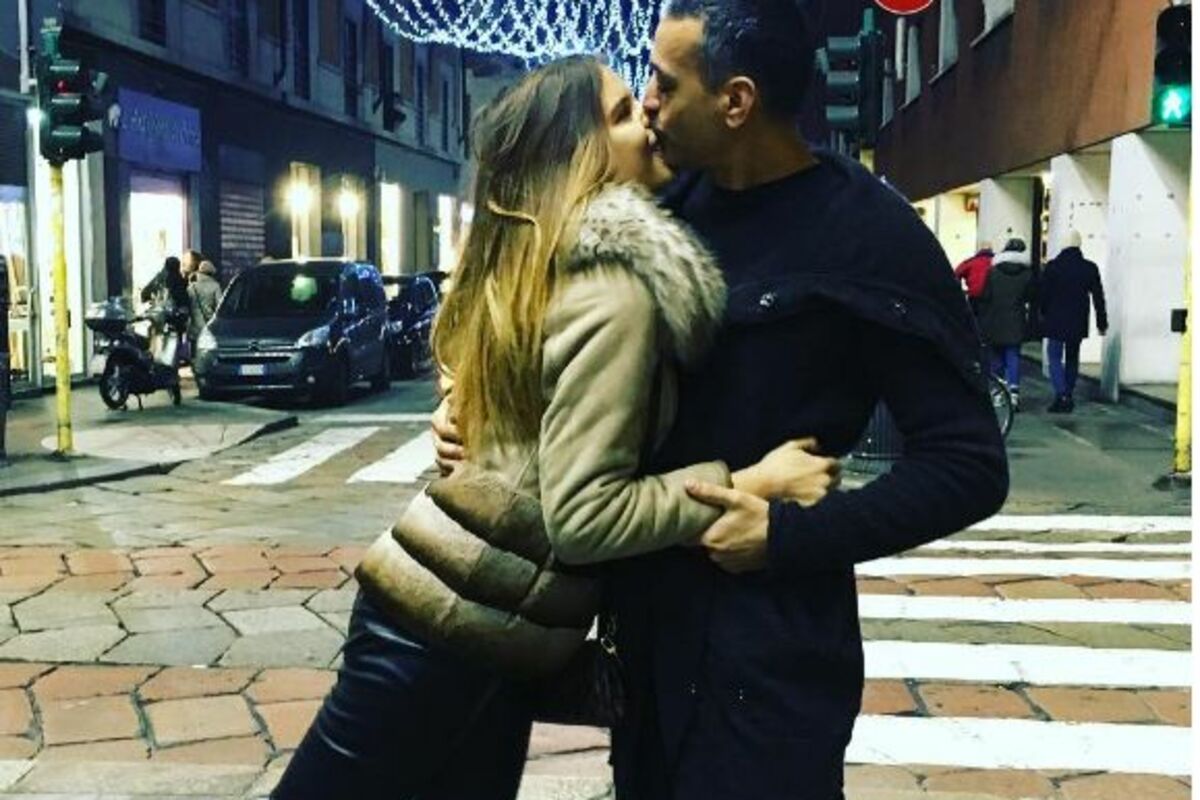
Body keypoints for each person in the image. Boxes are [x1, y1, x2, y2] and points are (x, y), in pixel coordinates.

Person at [440, 3, 1007, 798]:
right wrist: (475, 414)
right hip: (645, 640)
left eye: (666, 84)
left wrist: (787, 535)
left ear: (736, 101)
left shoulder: (868, 232)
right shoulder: (657, 209)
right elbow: (541, 325)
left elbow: (969, 464)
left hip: (771, 655)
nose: (647, 103)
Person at [273, 56, 838, 800]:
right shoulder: (614, 290)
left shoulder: (545, 261)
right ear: (582, 154)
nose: (648, 121)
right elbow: (584, 519)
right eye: (622, 114)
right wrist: (748, 484)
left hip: (475, 631)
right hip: (440, 634)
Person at [1040, 230, 1108, 413]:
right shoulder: (1089, 268)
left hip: (1055, 318)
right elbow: (1098, 297)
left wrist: (1042, 314)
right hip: (1077, 319)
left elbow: (1044, 295)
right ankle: (1068, 393)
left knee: (1054, 356)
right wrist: (1102, 322)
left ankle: (1061, 394)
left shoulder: (1053, 266)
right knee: (1072, 357)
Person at [977, 236, 1035, 408]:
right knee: (1013, 356)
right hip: (1016, 320)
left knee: (996, 358)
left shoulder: (993, 272)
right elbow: (1031, 297)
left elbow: (984, 297)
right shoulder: (1027, 274)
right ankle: (1014, 392)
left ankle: (997, 393)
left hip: (994, 320)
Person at [187, 259, 222, 344]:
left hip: (194, 325)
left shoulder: (191, 287)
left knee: (194, 349)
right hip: (209, 324)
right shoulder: (215, 286)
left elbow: (188, 305)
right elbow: (219, 306)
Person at [954, 240, 994, 313]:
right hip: (992, 297)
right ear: (991, 250)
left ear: (979, 251)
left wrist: (959, 290)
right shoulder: (996, 261)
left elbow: (956, 274)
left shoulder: (971, 261)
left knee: (973, 316)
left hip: (974, 296)